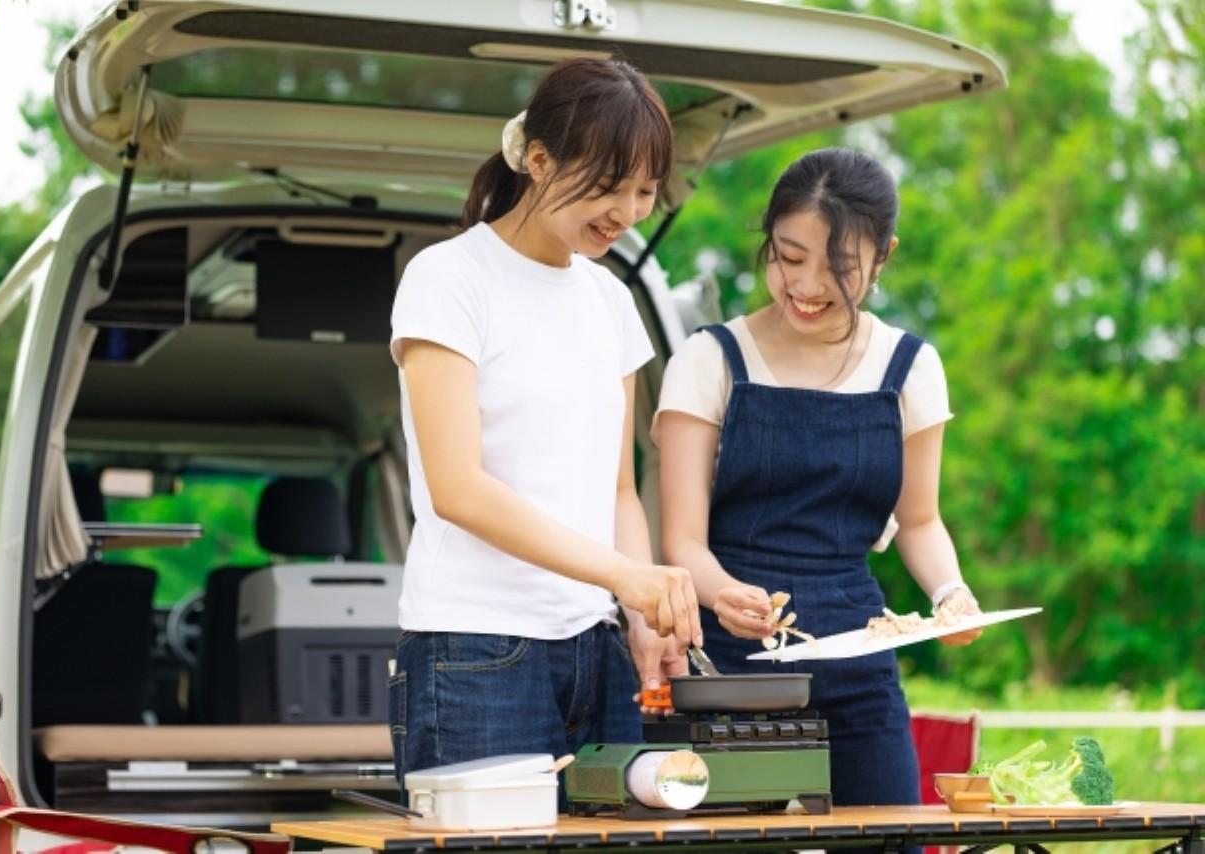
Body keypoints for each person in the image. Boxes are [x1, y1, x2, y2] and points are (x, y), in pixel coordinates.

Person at [388, 58, 701, 780]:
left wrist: (641, 616)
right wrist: (629, 576)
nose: (626, 211)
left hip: (599, 648)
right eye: (608, 184)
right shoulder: (448, 279)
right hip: (476, 651)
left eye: (645, 191)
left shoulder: (611, 302)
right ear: (537, 159)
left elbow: (619, 490)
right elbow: (457, 488)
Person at [655, 147, 981, 807]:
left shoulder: (912, 367)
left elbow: (919, 520)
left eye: (838, 267)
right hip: (728, 668)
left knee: (892, 834)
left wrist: (951, 592)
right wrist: (722, 595)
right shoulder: (709, 360)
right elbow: (682, 542)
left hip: (860, 659)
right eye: (788, 257)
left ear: (883, 257)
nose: (806, 286)